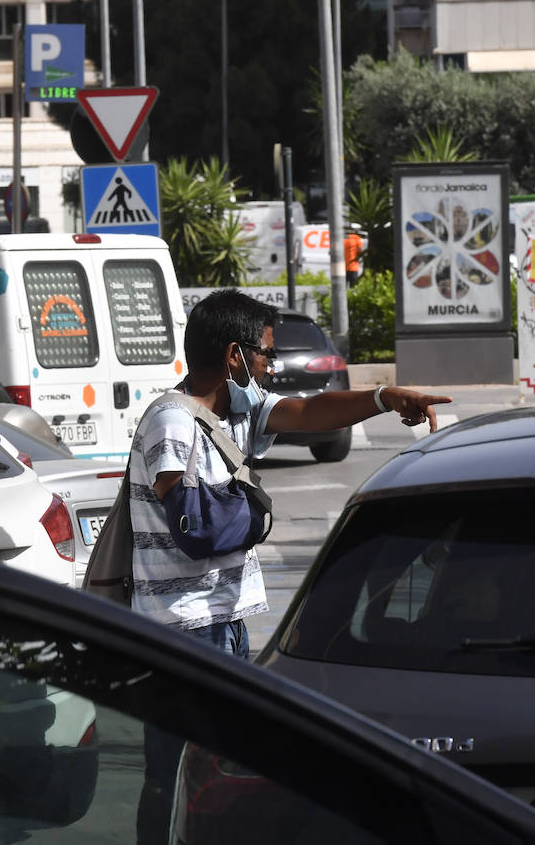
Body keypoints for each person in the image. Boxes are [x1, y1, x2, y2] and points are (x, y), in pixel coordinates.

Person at [129, 289, 451, 842]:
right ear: (234, 355)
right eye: (264, 354)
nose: (268, 366)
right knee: (174, 773)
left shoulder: (231, 412)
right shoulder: (173, 423)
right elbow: (195, 528)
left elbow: (307, 412)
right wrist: (257, 520)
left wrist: (383, 398)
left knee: (210, 773)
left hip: (221, 623)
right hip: (180, 631)